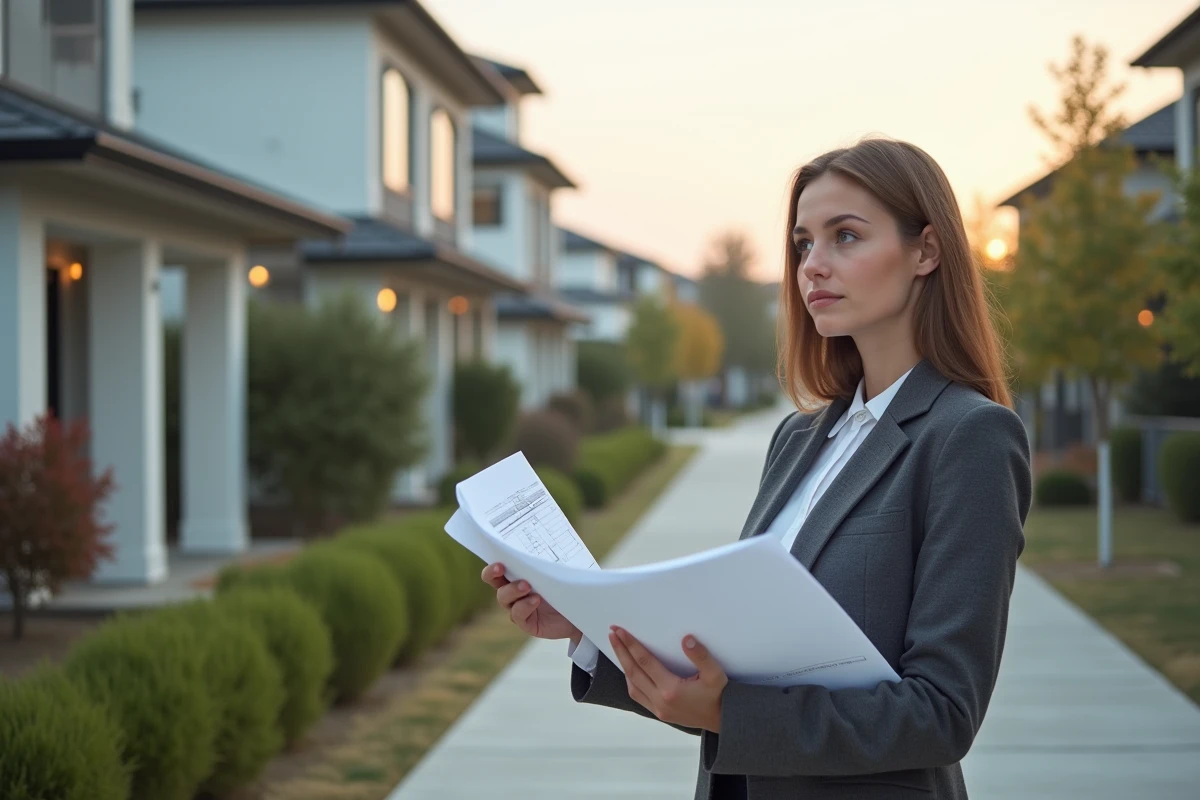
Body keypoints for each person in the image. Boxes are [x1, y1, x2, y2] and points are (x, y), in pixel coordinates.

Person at [481, 136, 1032, 799]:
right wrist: (588, 623)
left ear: (927, 250)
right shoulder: (798, 440)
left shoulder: (968, 437)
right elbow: (739, 671)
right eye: (803, 244)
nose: (813, 267)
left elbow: (942, 713)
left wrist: (726, 712)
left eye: (845, 237)